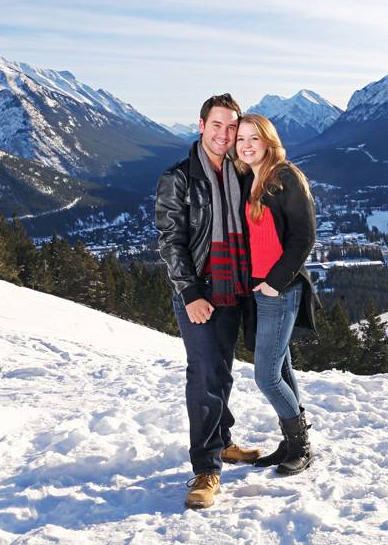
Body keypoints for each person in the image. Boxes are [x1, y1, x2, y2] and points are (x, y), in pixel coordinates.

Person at [155, 94, 260, 510]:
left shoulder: (240, 172)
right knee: (203, 377)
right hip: (198, 291)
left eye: (231, 127)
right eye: (216, 125)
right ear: (201, 126)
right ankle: (205, 468)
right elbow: (171, 241)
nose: (224, 134)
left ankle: (224, 441)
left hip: (232, 287)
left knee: (223, 370)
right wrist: (190, 292)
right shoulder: (178, 178)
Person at [234, 113, 321, 476]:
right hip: (259, 289)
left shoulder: (285, 176)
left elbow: (304, 236)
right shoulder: (249, 178)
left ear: (269, 141)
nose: (247, 145)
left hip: (280, 290)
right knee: (281, 366)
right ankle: (290, 443)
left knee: (266, 375)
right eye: (241, 139)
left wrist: (274, 282)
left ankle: (301, 444)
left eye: (255, 138)